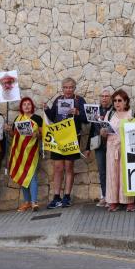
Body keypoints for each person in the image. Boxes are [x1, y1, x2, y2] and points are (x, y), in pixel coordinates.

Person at [44, 77, 87, 209]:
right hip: (58, 137)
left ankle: (67, 196)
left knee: (69, 167)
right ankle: (56, 197)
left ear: (74, 88)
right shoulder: (58, 99)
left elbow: (87, 119)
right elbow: (52, 117)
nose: (68, 90)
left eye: (71, 87)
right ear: (62, 88)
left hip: (72, 137)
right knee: (58, 168)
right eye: (66, 87)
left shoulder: (79, 100)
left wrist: (78, 112)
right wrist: (46, 109)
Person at [7, 97, 43, 213]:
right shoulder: (18, 118)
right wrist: (8, 130)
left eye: (28, 104)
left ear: (32, 106)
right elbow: (14, 135)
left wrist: (36, 134)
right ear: (21, 107)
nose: (26, 106)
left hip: (33, 152)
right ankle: (27, 202)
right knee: (22, 175)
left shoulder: (37, 118)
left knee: (32, 176)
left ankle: (34, 202)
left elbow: (43, 134)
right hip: (20, 153)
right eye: (24, 104)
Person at [103, 89, 135, 212]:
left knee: (126, 174)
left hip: (127, 147)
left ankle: (129, 201)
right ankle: (113, 201)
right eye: (115, 100)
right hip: (112, 148)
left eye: (119, 100)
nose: (117, 103)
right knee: (112, 174)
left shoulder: (132, 113)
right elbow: (103, 132)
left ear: (125, 101)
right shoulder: (110, 114)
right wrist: (103, 131)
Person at [85, 89, 112, 207]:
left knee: (112, 171)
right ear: (100, 98)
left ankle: (113, 197)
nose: (104, 98)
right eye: (102, 96)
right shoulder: (95, 111)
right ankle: (105, 196)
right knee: (102, 172)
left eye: (107, 96)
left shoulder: (114, 110)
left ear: (110, 98)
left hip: (111, 144)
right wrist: (88, 148)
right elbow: (92, 130)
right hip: (99, 146)